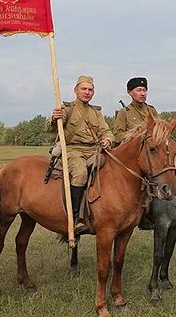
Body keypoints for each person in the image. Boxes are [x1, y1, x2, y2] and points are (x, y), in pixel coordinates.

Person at [47, 75, 114, 235]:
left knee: (110, 166)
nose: (87, 92)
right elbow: (51, 128)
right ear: (75, 90)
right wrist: (54, 118)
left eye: (90, 89)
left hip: (93, 151)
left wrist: (108, 140)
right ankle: (76, 218)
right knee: (80, 172)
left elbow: (107, 131)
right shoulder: (67, 108)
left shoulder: (96, 112)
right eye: (83, 89)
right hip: (72, 150)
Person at [113, 77, 158, 143]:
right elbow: (117, 136)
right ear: (129, 92)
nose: (143, 94)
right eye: (139, 90)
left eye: (144, 90)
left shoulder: (152, 110)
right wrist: (135, 134)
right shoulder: (124, 112)